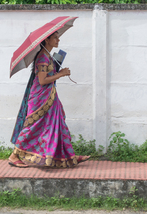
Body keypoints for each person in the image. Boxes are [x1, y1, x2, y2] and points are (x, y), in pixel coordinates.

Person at [8, 32, 90, 168]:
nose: (58, 39)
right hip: (40, 99)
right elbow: (42, 80)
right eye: (55, 37)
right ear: (47, 39)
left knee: (59, 124)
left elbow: (48, 76)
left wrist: (59, 72)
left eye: (58, 37)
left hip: (50, 96)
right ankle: (14, 155)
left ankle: (69, 155)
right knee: (32, 127)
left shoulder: (48, 56)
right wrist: (61, 74)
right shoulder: (42, 58)